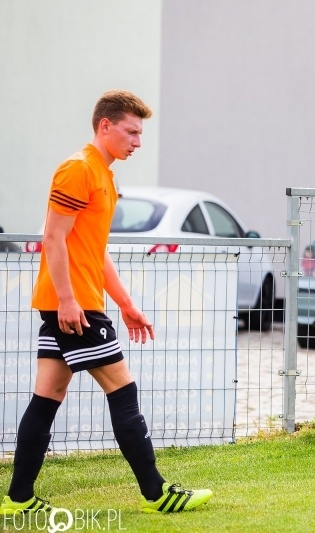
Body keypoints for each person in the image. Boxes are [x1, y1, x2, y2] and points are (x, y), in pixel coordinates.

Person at [0, 90, 212, 514]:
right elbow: (53, 238)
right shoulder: (78, 169)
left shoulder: (105, 174)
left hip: (75, 301)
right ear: (105, 126)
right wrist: (66, 300)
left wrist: (127, 304)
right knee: (123, 388)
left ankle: (17, 499)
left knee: (48, 394)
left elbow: (95, 250)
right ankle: (157, 493)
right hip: (73, 305)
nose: (137, 142)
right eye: (131, 132)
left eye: (140, 134)